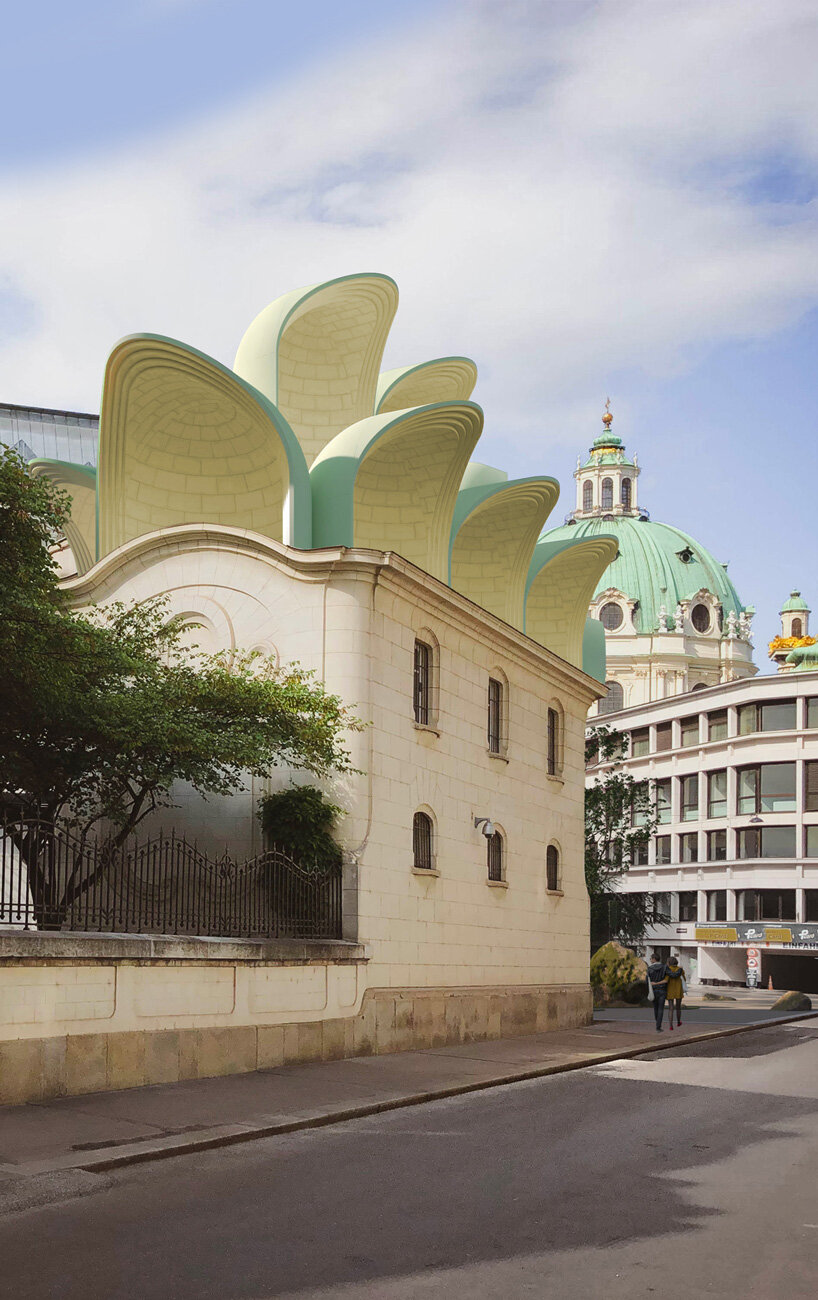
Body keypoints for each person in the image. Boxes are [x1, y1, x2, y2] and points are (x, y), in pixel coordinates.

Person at [646, 952, 668, 1031]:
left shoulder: (649, 969)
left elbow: (647, 980)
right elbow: (668, 978)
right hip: (662, 990)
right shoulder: (664, 967)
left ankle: (657, 1023)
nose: (650, 960)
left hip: (653, 990)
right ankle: (658, 1026)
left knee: (655, 1008)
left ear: (654, 959)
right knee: (661, 1009)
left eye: (651, 959)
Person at [665, 954, 687, 1030]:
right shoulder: (680, 970)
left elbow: (666, 980)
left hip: (670, 990)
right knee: (678, 1007)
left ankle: (671, 1025)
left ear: (669, 963)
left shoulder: (668, 970)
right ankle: (678, 1022)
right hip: (678, 990)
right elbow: (684, 979)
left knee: (671, 1008)